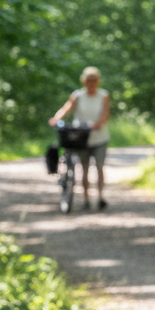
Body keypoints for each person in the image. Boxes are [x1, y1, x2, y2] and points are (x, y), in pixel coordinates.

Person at [49, 67, 111, 210]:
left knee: (99, 167)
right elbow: (66, 108)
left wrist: (97, 124)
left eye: (94, 80)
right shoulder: (77, 95)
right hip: (81, 137)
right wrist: (56, 118)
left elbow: (106, 115)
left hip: (99, 137)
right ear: (84, 81)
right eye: (89, 80)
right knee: (84, 169)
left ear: (98, 81)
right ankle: (86, 199)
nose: (91, 83)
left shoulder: (103, 95)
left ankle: (100, 197)